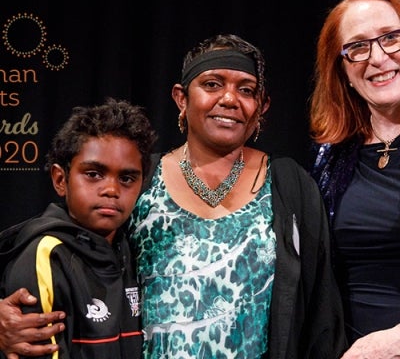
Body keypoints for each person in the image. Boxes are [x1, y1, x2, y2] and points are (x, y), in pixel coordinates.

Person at [0, 34, 347, 359]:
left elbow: (321, 310)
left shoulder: (289, 186)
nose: (229, 99)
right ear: (182, 97)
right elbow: (60, 251)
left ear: (262, 106)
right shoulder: (138, 179)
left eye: (246, 89)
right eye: (212, 84)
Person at [0, 97, 157, 359]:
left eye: (127, 178)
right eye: (94, 174)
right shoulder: (47, 256)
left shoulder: (135, 247)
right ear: (61, 180)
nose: (112, 190)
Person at [309, 0, 400, 359]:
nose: (378, 58)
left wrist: (391, 343)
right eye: (358, 47)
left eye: (392, 38)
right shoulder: (331, 159)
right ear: (343, 70)